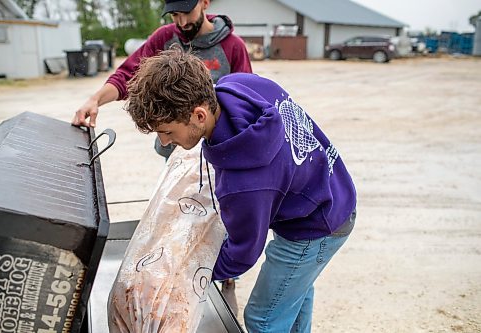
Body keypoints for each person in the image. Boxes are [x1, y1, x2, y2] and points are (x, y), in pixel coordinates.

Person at [124, 46, 357, 332]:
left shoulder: (245, 185)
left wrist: (191, 273)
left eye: (168, 132)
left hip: (316, 226)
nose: (164, 141)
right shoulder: (238, 86)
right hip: (333, 187)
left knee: (264, 318)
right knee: (291, 297)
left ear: (199, 115)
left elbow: (244, 252)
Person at [71, 0, 252, 159]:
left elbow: (244, 98)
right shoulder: (164, 38)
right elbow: (128, 75)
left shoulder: (233, 46)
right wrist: (95, 100)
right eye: (175, 14)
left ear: (205, 2)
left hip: (217, 147)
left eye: (187, 12)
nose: (182, 22)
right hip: (175, 146)